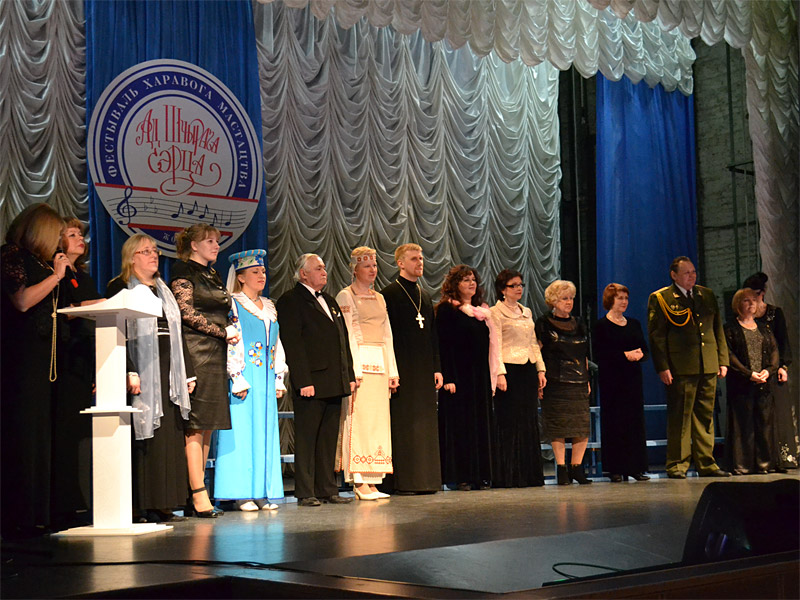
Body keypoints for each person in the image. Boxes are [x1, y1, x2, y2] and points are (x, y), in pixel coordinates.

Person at [107, 234, 194, 522]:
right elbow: (116, 331)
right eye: (145, 251)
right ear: (131, 258)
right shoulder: (120, 287)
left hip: (168, 366)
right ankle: (139, 504)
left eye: (155, 250)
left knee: (168, 434)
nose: (153, 255)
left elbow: (178, 332)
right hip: (141, 366)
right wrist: (129, 369)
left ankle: (164, 502)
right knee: (143, 436)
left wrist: (187, 372)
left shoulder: (163, 290)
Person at [1, 204, 68, 537]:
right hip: (21, 357)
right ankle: (19, 515)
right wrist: (56, 277)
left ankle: (39, 512)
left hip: (45, 359)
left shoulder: (43, 262)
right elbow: (22, 301)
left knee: (42, 435)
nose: (59, 240)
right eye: (56, 234)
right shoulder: (11, 255)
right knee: (23, 435)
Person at [276, 254, 356, 507]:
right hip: (311, 382)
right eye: (318, 268)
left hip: (334, 380)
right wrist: (303, 381)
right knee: (307, 438)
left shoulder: (329, 301)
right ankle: (305, 491)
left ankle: (327, 488)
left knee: (328, 438)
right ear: (303, 274)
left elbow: (343, 340)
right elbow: (293, 343)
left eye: (324, 268)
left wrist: (349, 375)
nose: (324, 272)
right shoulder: (291, 300)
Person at [171, 224, 237, 517]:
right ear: (194, 245)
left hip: (215, 352)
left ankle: (197, 490)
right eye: (209, 241)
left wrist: (228, 328)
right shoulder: (183, 271)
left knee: (207, 423)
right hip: (196, 351)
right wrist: (222, 332)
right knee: (196, 424)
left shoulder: (213, 274)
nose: (216, 245)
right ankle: (197, 493)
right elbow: (185, 313)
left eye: (217, 241)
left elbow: (221, 308)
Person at [214, 250, 287, 511]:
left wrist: (278, 377)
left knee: (265, 432)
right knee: (243, 432)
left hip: (265, 376)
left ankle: (261, 491)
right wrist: (236, 376)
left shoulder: (269, 306)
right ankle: (241, 492)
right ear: (241, 277)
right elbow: (234, 341)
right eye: (255, 272)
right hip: (246, 376)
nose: (261, 276)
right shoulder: (234, 304)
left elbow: (276, 343)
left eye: (263, 271)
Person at [647, 256, 730, 479]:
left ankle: (707, 463)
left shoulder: (706, 295)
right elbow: (657, 336)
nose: (691, 276)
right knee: (680, 417)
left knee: (705, 416)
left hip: (707, 363)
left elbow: (717, 329)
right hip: (680, 366)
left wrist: (722, 360)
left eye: (693, 272)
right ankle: (677, 464)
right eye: (686, 273)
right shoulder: (662, 298)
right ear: (674, 275)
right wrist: (663, 366)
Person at [335, 247, 399, 500]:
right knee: (359, 421)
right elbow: (348, 334)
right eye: (366, 266)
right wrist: (355, 368)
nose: (372, 270)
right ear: (355, 269)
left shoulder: (380, 298)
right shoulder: (346, 295)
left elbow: (387, 334)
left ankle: (373, 480)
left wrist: (393, 370)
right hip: (361, 365)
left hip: (380, 366)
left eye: (374, 265)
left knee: (377, 422)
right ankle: (359, 481)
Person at [380, 243, 443, 495]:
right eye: (414, 259)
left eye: (421, 258)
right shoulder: (389, 294)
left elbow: (433, 335)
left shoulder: (424, 295)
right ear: (400, 263)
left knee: (424, 425)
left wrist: (437, 367)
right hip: (402, 369)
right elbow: (386, 336)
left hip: (424, 369)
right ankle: (404, 482)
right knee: (405, 424)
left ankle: (425, 480)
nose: (420, 263)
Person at [52, 218, 103, 527]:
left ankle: (80, 501)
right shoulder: (54, 273)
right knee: (66, 433)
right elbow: (63, 311)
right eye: (72, 234)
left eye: (81, 234)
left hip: (84, 359)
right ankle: (62, 504)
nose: (80, 238)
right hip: (63, 359)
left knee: (81, 436)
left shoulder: (82, 276)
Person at [436, 265, 498, 491]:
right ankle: (461, 475)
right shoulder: (447, 310)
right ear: (455, 285)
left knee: (479, 424)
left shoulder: (479, 312)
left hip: (479, 376)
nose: (471, 283)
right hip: (459, 377)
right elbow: (444, 345)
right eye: (465, 280)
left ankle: (480, 474)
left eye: (473, 279)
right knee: (461, 426)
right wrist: (449, 377)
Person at [489, 269, 546, 488]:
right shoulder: (495, 312)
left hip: (527, 369)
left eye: (521, 284)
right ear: (502, 289)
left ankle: (530, 474)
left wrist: (540, 369)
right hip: (509, 370)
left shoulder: (526, 311)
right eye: (513, 285)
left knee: (529, 421)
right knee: (510, 422)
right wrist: (500, 373)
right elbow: (495, 345)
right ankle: (509, 475)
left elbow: (533, 342)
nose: (519, 288)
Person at [535, 280, 593, 485]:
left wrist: (586, 378)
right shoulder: (543, 323)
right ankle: (561, 469)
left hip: (579, 379)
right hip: (555, 380)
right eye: (564, 298)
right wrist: (539, 376)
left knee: (581, 426)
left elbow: (584, 354)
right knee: (558, 426)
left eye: (571, 298)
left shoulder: (579, 323)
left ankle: (577, 468)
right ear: (553, 301)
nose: (569, 302)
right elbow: (537, 351)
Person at [592, 283, 650, 483]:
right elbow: (599, 354)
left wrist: (640, 355)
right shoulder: (601, 326)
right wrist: (624, 355)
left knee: (634, 422)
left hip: (632, 380)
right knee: (615, 423)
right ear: (610, 300)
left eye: (626, 298)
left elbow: (645, 349)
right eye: (620, 298)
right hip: (612, 381)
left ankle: (636, 467)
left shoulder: (634, 324)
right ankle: (615, 468)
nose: (624, 302)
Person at [723, 288, 780, 475]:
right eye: (746, 301)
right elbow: (730, 356)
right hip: (742, 384)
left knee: (764, 424)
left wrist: (768, 371)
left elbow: (774, 352)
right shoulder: (730, 328)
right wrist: (748, 374)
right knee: (743, 425)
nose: (751, 304)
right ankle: (743, 465)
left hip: (764, 383)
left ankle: (765, 464)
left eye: (753, 301)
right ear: (738, 304)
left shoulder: (764, 328)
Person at [742, 272, 796, 470]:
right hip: (752, 371)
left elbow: (783, 342)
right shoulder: (743, 315)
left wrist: (783, 366)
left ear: (762, 293)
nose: (752, 300)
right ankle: (757, 458)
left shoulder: (774, 313)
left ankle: (782, 457)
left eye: (755, 295)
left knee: (778, 413)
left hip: (773, 369)